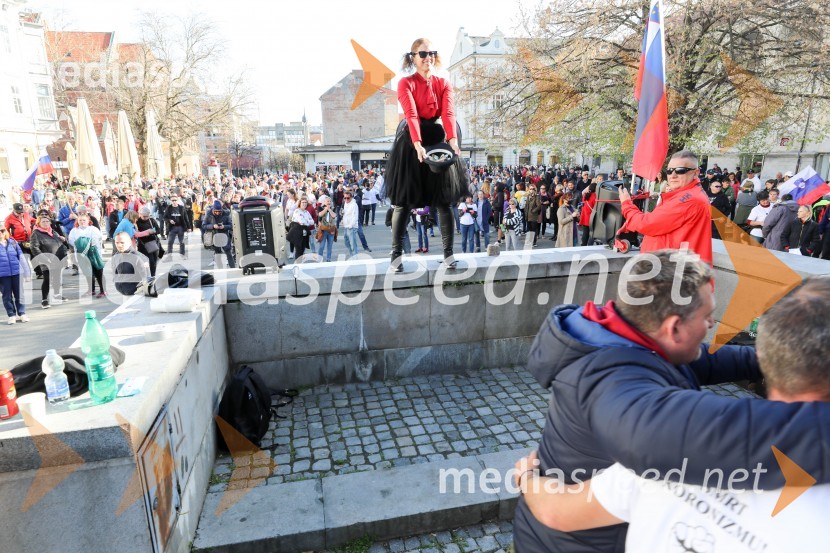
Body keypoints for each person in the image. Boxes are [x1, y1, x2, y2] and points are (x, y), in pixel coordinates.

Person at [512, 249, 830, 553]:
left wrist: (781, 355)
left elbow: (709, 360)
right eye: (708, 317)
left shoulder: (628, 340)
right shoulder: (613, 385)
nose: (710, 326)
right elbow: (690, 433)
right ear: (674, 327)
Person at [385, 37, 468, 272]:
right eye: (422, 54)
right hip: (412, 141)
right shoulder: (406, 83)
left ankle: (449, 254)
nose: (427, 57)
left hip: (436, 139)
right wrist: (417, 144)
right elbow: (410, 115)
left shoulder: (443, 83)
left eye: (431, 53)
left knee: (443, 201)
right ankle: (396, 257)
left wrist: (452, 139)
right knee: (402, 201)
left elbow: (449, 112)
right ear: (413, 58)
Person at [619, 150, 712, 264]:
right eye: (669, 171)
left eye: (680, 170)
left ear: (696, 173)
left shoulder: (687, 199)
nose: (673, 175)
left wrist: (626, 204)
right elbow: (661, 222)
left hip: (673, 272)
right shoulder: (688, 194)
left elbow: (648, 224)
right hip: (671, 268)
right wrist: (631, 223)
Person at [29, 212, 68, 308]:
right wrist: (44, 258)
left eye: (47, 221)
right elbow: (34, 248)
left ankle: (56, 295)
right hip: (46, 260)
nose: (46, 223)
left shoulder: (53, 231)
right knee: (47, 279)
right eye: (43, 222)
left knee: (57, 277)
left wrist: (63, 239)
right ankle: (44, 300)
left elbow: (59, 243)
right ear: (38, 223)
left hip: (57, 258)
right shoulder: (36, 233)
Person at [68, 214, 106, 298]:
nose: (82, 222)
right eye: (80, 220)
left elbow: (96, 239)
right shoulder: (74, 230)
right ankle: (91, 290)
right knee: (88, 273)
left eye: (84, 220)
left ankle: (103, 290)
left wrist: (85, 242)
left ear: (88, 221)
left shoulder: (93, 229)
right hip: (81, 254)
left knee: (98, 272)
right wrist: (80, 244)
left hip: (93, 254)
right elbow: (72, 241)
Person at [0, 226, 30, 324]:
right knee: (7, 296)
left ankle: (22, 313)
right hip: (3, 276)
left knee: (19, 294)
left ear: (5, 232)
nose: (1, 233)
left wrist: (27, 273)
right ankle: (11, 315)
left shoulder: (13, 243)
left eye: (2, 230)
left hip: (17, 273)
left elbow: (21, 258)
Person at [112, 231, 148, 297]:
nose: (119, 245)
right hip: (123, 293)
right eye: (117, 242)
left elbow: (146, 279)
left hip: (136, 295)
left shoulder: (138, 257)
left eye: (122, 242)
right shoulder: (116, 256)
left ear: (130, 242)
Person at [201, 200, 235, 268]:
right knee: (218, 253)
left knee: (228, 252)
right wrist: (213, 226)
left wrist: (224, 226)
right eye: (215, 211)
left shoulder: (226, 212)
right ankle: (221, 269)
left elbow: (231, 225)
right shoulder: (209, 213)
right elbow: (204, 225)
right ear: (213, 209)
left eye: (219, 211)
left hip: (224, 235)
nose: (217, 213)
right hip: (214, 235)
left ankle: (233, 268)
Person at [135, 206, 163, 277]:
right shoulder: (137, 222)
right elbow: (136, 233)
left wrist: (152, 232)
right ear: (140, 214)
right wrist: (145, 233)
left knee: (155, 262)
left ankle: (153, 276)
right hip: (143, 245)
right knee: (149, 261)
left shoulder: (152, 220)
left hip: (153, 244)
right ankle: (149, 276)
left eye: (147, 216)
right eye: (144, 216)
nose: (146, 218)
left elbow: (158, 230)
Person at [316, 196, 337, 262]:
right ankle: (320, 258)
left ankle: (328, 259)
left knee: (330, 246)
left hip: (331, 229)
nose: (329, 202)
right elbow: (320, 214)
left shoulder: (333, 208)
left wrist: (329, 209)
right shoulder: (320, 207)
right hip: (323, 229)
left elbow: (334, 216)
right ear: (324, 202)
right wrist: (326, 209)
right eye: (327, 201)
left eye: (330, 201)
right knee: (321, 246)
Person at [341, 190, 360, 258]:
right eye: (345, 198)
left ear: (351, 197)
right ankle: (352, 255)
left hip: (352, 227)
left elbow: (355, 216)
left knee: (353, 244)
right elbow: (345, 214)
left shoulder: (354, 205)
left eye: (348, 198)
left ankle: (355, 257)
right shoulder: (345, 203)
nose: (346, 199)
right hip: (346, 226)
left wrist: (351, 225)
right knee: (346, 243)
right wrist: (342, 219)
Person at [578, 182, 597, 246]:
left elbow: (583, 191)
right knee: (592, 232)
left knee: (585, 233)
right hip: (591, 217)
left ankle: (583, 244)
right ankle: (589, 245)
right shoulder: (595, 196)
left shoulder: (585, 195)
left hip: (584, 216)